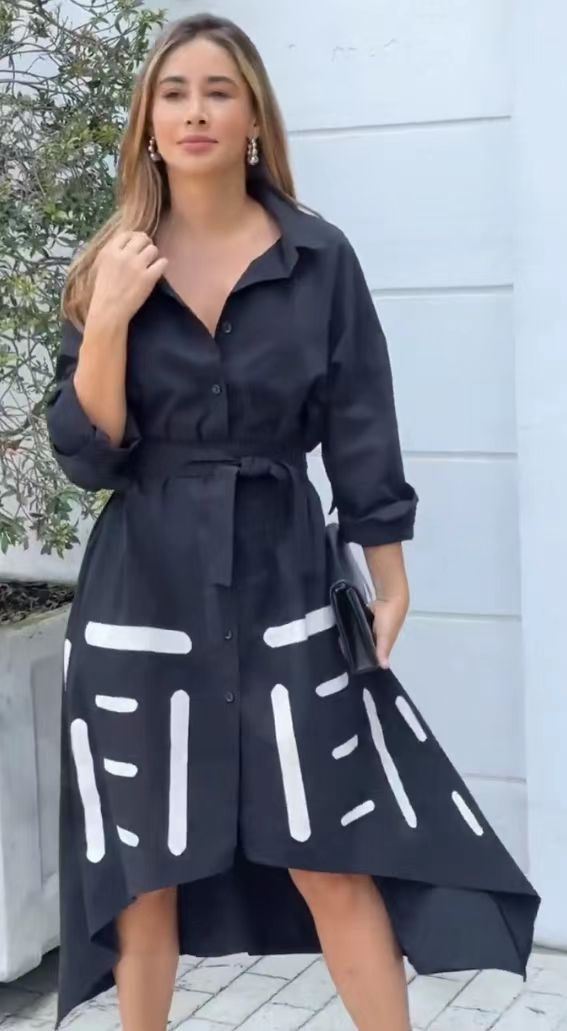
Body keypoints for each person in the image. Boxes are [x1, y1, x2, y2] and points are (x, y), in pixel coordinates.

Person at [45, 13, 540, 1031]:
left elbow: (361, 421)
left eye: (217, 90)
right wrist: (108, 317)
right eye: (173, 92)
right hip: (143, 592)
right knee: (145, 868)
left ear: (254, 118)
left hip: (283, 582)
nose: (194, 111)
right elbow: (90, 455)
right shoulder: (113, 263)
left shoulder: (318, 258)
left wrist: (388, 572)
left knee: (330, 844)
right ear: (148, 123)